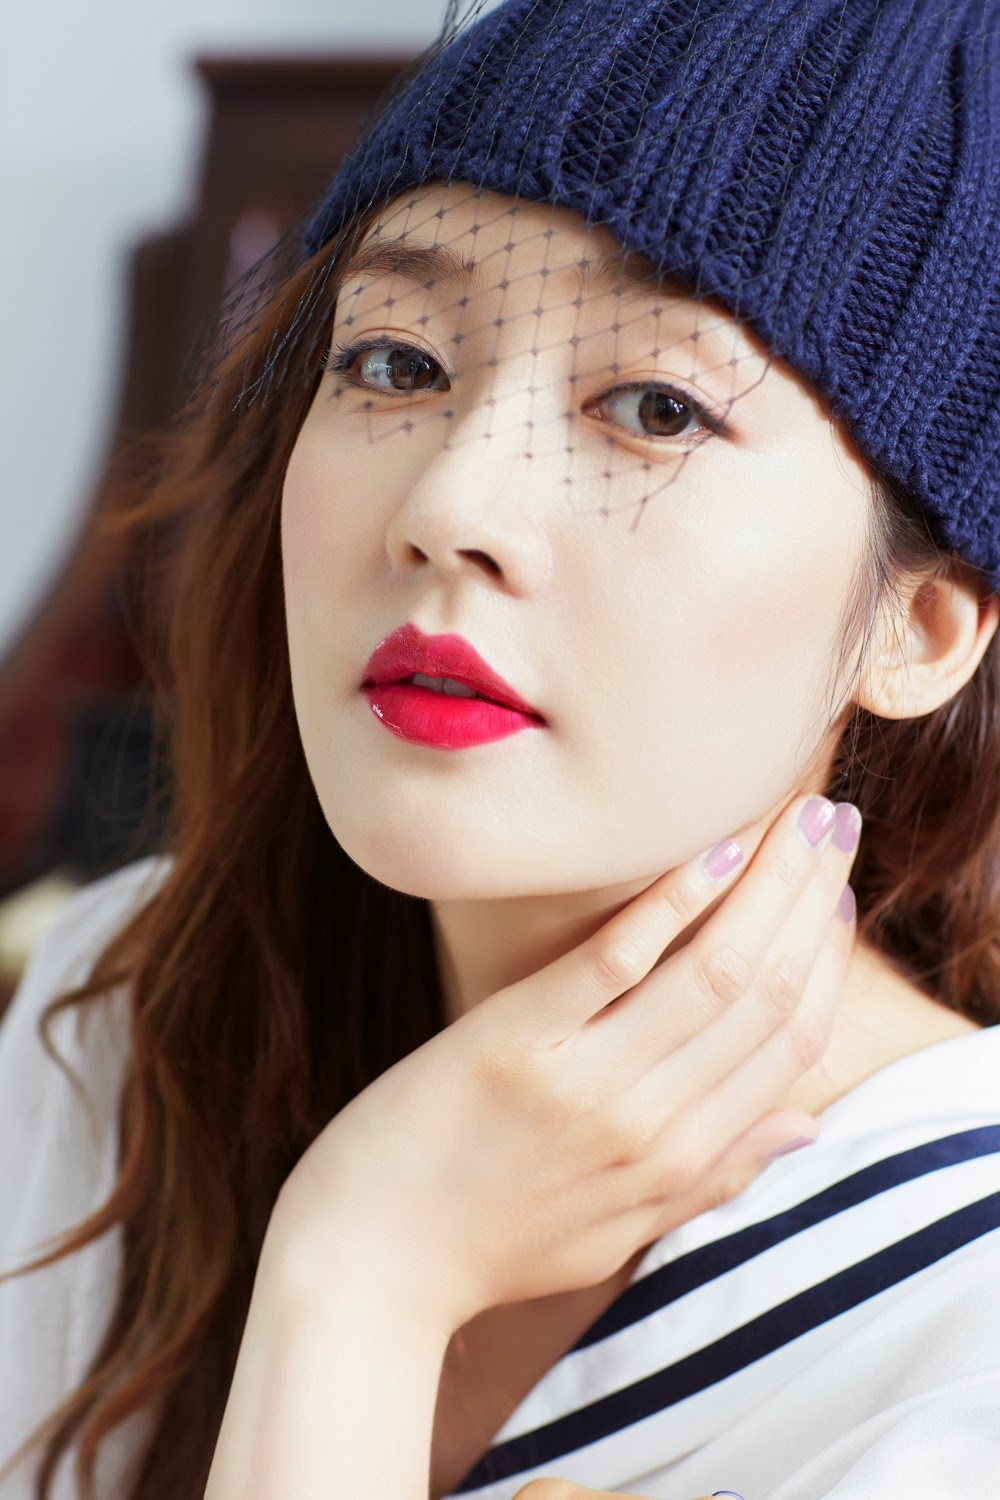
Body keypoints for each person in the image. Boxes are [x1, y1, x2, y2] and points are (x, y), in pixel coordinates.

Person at [2, 0, 999, 1496]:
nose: (452, 503)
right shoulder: (127, 1020)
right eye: (395, 363)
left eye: (656, 406)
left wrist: (363, 1280)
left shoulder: (960, 1330)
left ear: (919, 626)